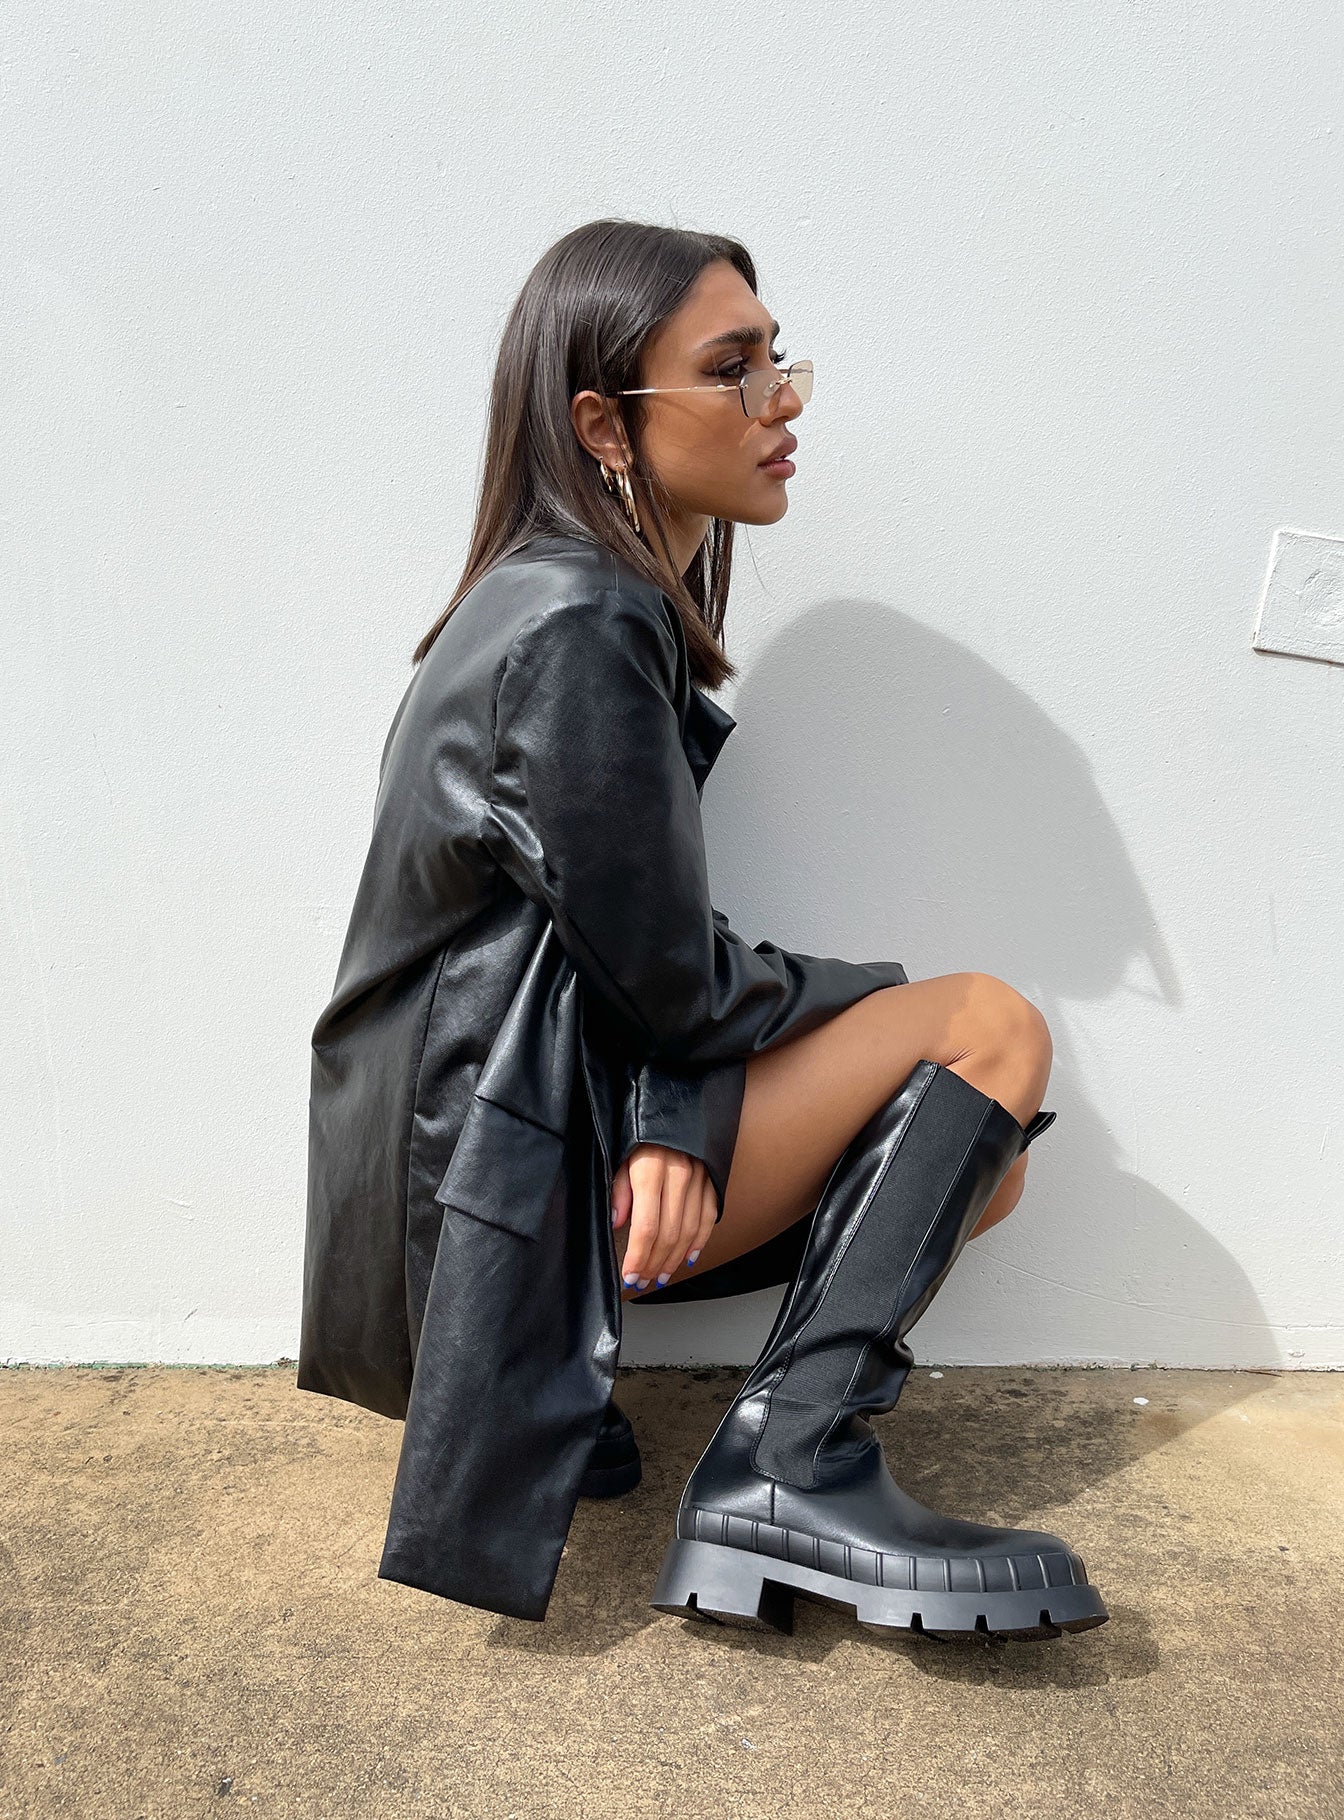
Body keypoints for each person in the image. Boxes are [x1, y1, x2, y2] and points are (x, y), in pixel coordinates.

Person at [298, 218, 1108, 1642]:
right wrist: (848, 1016)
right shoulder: (581, 621)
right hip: (493, 1198)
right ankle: (790, 1469)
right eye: (732, 369)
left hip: (458, 1186)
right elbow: (674, 978)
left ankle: (628, 1414)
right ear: (603, 425)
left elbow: (617, 939)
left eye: (778, 359)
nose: (780, 399)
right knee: (986, 1032)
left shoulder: (545, 599)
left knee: (973, 1168)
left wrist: (675, 1108)